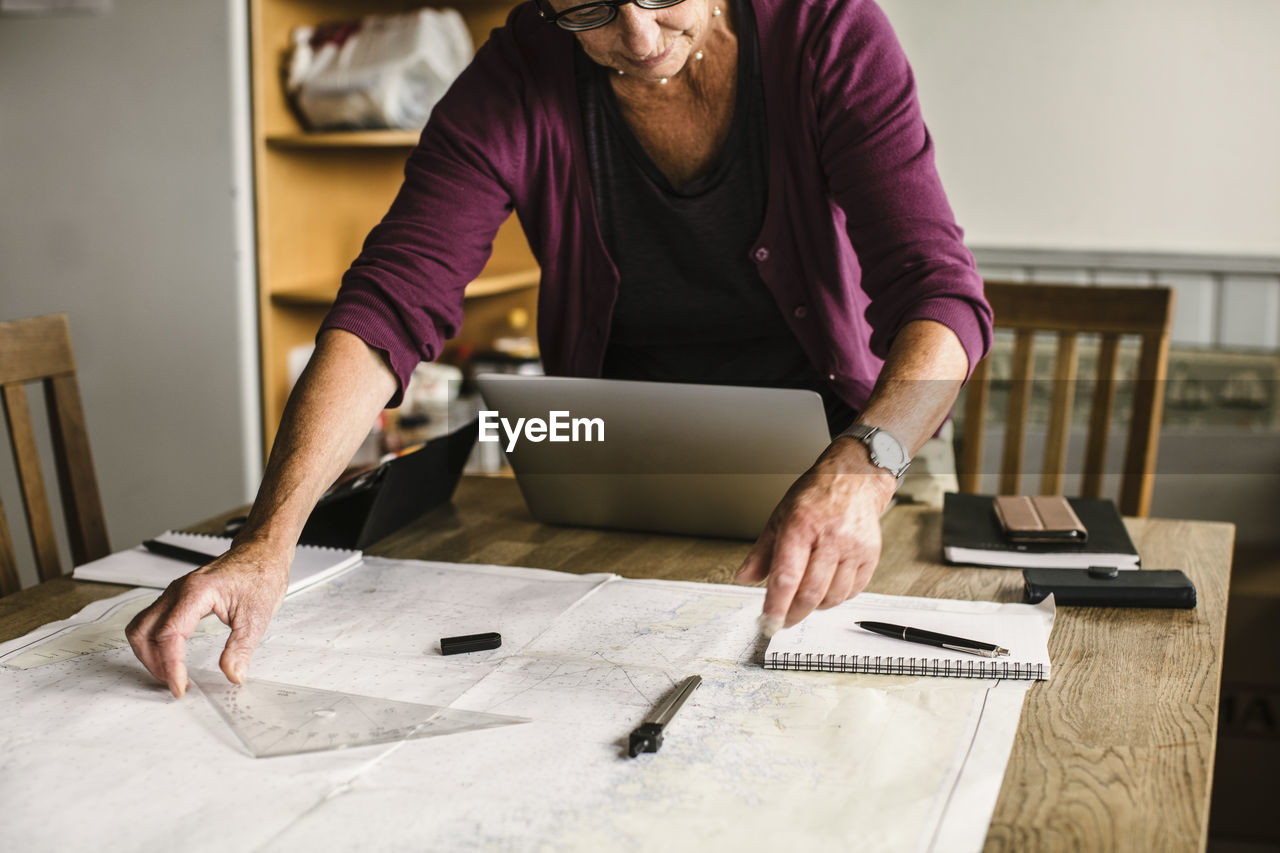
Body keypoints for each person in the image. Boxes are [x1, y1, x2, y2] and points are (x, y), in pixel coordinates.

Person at [127, 0, 991, 698]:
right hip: (618, 474)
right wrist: (270, 541)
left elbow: (939, 294)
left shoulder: (829, 33)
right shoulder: (515, 75)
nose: (638, 36)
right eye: (588, 9)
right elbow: (389, 305)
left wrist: (865, 463)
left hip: (851, 457)